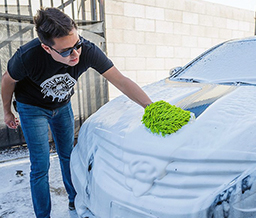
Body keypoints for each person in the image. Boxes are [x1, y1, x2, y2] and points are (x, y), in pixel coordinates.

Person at [1, 7, 152, 218]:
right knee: (40, 165)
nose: (75, 54)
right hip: (32, 109)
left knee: (69, 156)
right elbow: (8, 80)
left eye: (77, 44)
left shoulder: (86, 50)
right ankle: (43, 215)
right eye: (65, 51)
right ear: (47, 48)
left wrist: (150, 106)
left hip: (62, 106)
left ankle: (75, 202)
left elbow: (120, 80)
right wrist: (7, 112)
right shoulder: (27, 57)